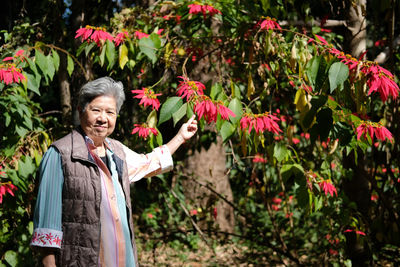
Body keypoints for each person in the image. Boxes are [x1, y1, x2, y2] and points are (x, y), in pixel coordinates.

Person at [30, 77, 198, 266]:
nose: (103, 118)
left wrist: (180, 137)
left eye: (110, 112)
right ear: (80, 110)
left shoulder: (116, 151)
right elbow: (46, 228)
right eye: (96, 110)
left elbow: (148, 163)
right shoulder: (60, 154)